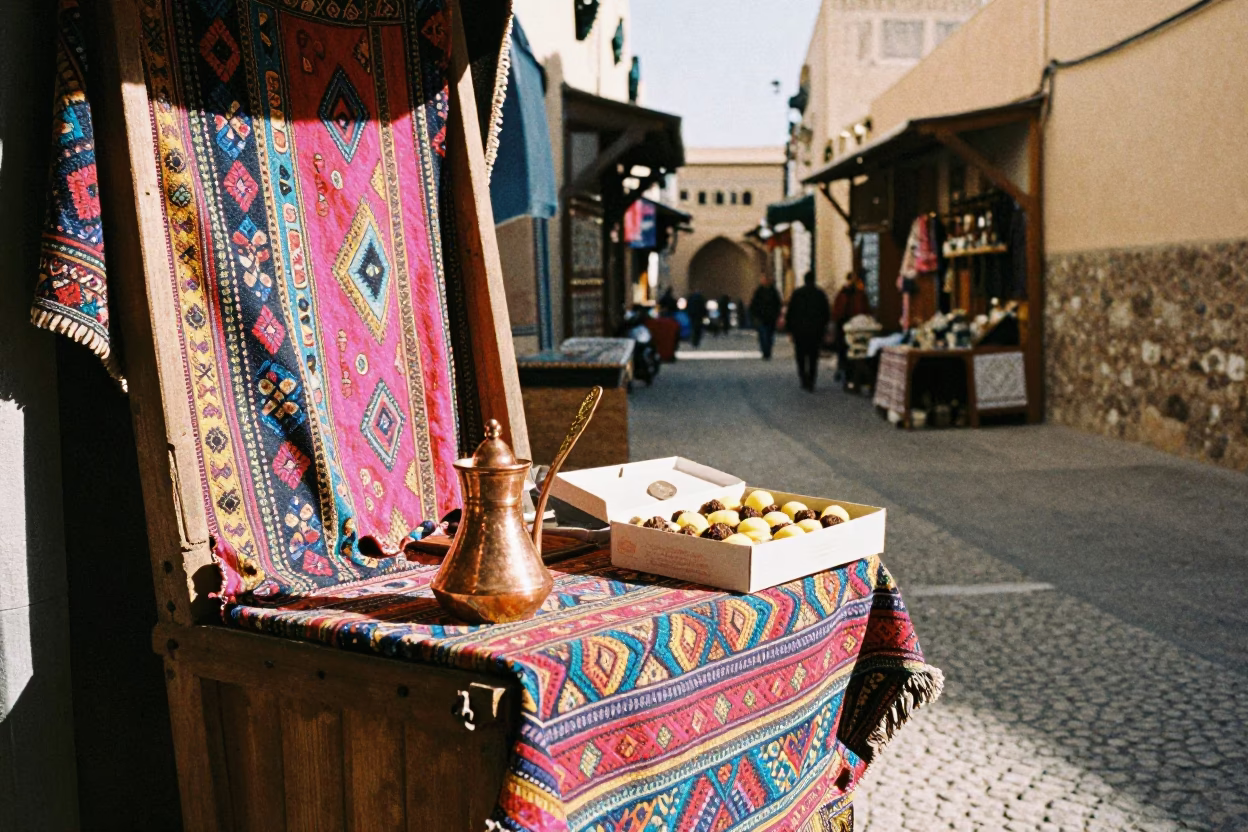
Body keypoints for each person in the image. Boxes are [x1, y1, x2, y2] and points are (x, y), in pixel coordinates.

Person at [786, 271, 831, 391]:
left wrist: (790, 329)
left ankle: (803, 378)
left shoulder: (797, 294)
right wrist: (824, 328)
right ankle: (811, 380)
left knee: (800, 356)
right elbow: (826, 313)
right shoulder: (820, 294)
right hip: (815, 331)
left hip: (799, 331)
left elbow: (791, 313)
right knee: (813, 356)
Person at [830, 272, 871, 381]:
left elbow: (864, 309)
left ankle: (851, 373)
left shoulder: (859, 293)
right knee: (843, 350)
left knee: (853, 350)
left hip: (856, 326)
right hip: (843, 326)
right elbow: (838, 311)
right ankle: (843, 370)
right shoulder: (843, 293)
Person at [748, 275, 782, 359]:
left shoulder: (772, 291)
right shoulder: (759, 291)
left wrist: (776, 314)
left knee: (769, 335)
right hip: (762, 318)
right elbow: (753, 305)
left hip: (770, 318)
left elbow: (777, 304)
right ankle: (765, 351)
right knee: (763, 335)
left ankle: (767, 351)